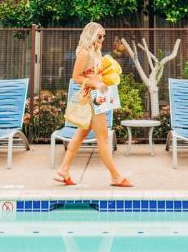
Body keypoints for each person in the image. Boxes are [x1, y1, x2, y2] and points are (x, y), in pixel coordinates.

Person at [54, 22, 133, 187]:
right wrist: (96, 83)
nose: (102, 39)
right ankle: (115, 176)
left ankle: (64, 169)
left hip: (97, 96)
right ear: (90, 35)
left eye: (103, 36)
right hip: (93, 98)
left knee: (81, 134)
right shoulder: (84, 53)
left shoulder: (95, 52)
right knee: (103, 138)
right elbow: (76, 77)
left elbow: (94, 74)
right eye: (99, 36)